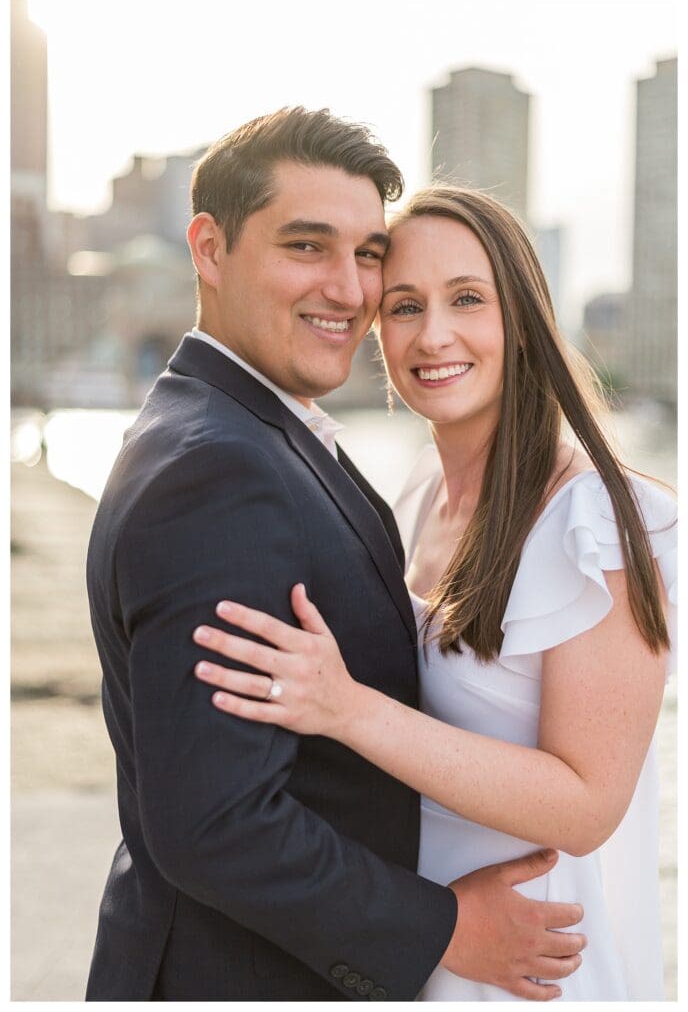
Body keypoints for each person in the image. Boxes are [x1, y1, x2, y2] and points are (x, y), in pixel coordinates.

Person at [85, 112, 586, 1001]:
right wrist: (446, 930)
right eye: (308, 246)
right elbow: (215, 820)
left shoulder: (253, 433)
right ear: (210, 247)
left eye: (366, 255)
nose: (349, 289)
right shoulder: (218, 468)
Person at [192, 184, 677, 1000]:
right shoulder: (413, 494)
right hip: (430, 947)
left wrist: (345, 708)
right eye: (406, 305)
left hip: (537, 969)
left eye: (467, 300)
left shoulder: (599, 520)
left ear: (522, 316)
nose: (434, 334)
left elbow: (589, 804)